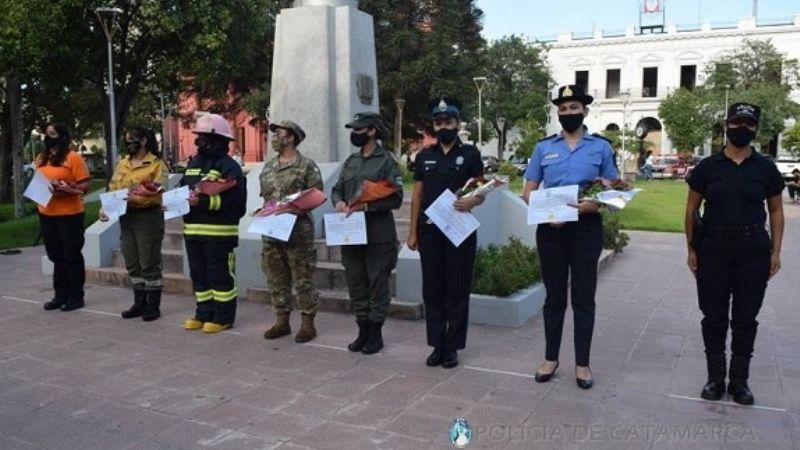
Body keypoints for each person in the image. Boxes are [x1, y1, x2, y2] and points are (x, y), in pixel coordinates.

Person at [685, 102, 784, 405]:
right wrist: (690, 248)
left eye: (749, 124)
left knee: (745, 318)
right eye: (736, 123)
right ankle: (715, 379)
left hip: (753, 250)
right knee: (713, 316)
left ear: (755, 129)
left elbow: (777, 211)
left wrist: (776, 252)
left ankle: (739, 382)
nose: (742, 129)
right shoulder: (707, 167)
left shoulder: (765, 168)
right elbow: (691, 208)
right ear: (725, 126)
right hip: (712, 249)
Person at [522, 85, 619, 390]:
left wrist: (597, 203)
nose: (568, 114)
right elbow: (529, 191)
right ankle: (551, 358)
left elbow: (612, 186)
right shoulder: (543, 148)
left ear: (585, 111)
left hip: (586, 228)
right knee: (553, 297)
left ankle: (582, 364)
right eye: (563, 109)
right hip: (552, 230)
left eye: (573, 108)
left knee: (583, 297)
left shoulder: (600, 147)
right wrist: (550, 214)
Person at [407, 97, 485, 369]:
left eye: (448, 121)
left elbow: (481, 191)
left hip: (459, 231)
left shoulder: (471, 154)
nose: (443, 126)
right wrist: (412, 232)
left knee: (457, 289)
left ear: (457, 123)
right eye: (438, 122)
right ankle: (436, 345)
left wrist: (473, 200)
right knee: (433, 289)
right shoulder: (424, 156)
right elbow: (417, 194)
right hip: (429, 232)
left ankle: (452, 347)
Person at [331, 112, 403, 354]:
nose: (355, 133)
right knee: (356, 282)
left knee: (376, 283)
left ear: (371, 130)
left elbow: (395, 198)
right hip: (350, 234)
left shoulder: (386, 161)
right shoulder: (351, 161)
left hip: (377, 235)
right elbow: (337, 189)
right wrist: (339, 202)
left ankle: (376, 333)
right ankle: (362, 329)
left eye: (359, 129)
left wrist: (368, 206)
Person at [181, 114, 247, 334]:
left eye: (202, 137)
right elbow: (183, 189)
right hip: (193, 232)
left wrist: (205, 201)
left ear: (217, 139)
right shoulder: (193, 163)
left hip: (219, 235)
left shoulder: (229, 167)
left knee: (220, 277)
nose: (198, 141)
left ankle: (223, 317)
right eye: (198, 136)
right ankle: (203, 313)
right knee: (199, 276)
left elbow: (237, 205)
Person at [260, 121, 324, 343]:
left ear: (291, 138)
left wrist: (296, 209)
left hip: (298, 233)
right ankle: (282, 321)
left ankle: (308, 324)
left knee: (302, 278)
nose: (275, 137)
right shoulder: (268, 167)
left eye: (279, 134)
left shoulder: (306, 166)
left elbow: (316, 195)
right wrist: (262, 212)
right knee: (276, 277)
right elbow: (267, 198)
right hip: (271, 232)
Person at [100, 127, 169, 321]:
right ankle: (139, 303)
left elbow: (161, 191)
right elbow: (113, 187)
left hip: (148, 217)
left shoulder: (156, 164)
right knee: (132, 260)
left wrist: (137, 196)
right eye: (127, 139)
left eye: (133, 139)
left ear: (144, 141)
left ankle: (153, 305)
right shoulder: (123, 163)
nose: (129, 143)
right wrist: (105, 208)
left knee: (149, 262)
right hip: (127, 218)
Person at [37, 123, 92, 312]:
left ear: (61, 137)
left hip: (70, 214)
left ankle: (76, 296)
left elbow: (85, 185)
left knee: (71, 255)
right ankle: (59, 295)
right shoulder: (41, 158)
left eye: (52, 133)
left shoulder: (73, 157)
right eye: (46, 133)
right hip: (47, 213)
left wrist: (68, 188)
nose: (47, 136)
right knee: (56, 256)